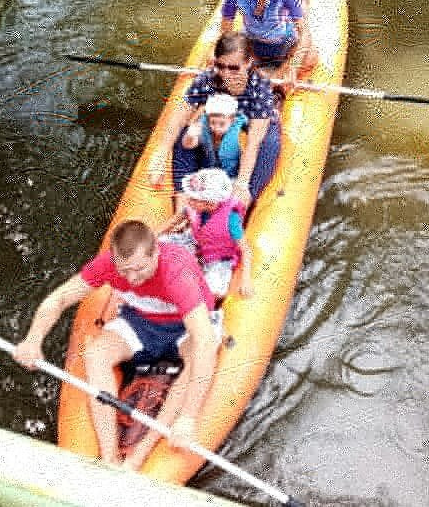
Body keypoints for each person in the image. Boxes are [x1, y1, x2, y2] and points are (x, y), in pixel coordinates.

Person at [13, 219, 219, 470]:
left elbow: (205, 340)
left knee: (198, 358)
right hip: (141, 322)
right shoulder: (108, 265)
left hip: (182, 329)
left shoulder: (176, 271)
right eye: (124, 271)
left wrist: (189, 417)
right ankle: (109, 457)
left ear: (156, 251)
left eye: (139, 268)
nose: (132, 279)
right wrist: (33, 340)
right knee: (96, 353)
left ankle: (138, 457)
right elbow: (59, 299)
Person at [149, 32, 281, 209]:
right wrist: (162, 151)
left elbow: (253, 143)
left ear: (248, 63)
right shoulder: (208, 79)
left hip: (252, 122)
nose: (226, 73)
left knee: (271, 143)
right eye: (220, 66)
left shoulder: (260, 87)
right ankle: (182, 204)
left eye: (233, 68)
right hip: (219, 120)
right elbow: (180, 114)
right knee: (184, 134)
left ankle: (243, 202)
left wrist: (241, 183)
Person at [220, 0, 318, 81]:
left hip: (283, 44)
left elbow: (304, 33)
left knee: (312, 56)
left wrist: (294, 66)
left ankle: (281, 74)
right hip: (253, 45)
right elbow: (226, 33)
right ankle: (256, 70)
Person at [160, 167, 253, 302]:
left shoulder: (230, 219)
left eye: (194, 198)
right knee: (159, 243)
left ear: (210, 203)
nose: (189, 200)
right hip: (195, 241)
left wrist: (246, 279)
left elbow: (246, 249)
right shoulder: (193, 206)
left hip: (219, 257)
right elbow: (174, 221)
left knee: (214, 291)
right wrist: (152, 235)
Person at [181, 93, 247, 179]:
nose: (216, 128)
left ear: (232, 121)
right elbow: (188, 145)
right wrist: (190, 135)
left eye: (222, 124)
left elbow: (245, 156)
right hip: (207, 175)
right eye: (212, 123)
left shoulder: (239, 133)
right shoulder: (204, 126)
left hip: (231, 176)